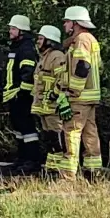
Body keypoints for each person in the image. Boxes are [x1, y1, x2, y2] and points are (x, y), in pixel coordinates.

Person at [60, 5, 103, 178]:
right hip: (90, 97)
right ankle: (92, 173)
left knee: (71, 133)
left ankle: (68, 177)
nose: (65, 25)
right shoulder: (90, 39)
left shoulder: (81, 40)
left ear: (75, 23)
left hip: (80, 97)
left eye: (67, 21)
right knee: (90, 133)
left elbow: (82, 66)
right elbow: (99, 67)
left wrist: (73, 90)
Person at [2, 14, 42, 173]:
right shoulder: (16, 48)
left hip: (22, 96)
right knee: (19, 130)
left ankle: (32, 160)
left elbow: (28, 72)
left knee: (28, 130)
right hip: (14, 95)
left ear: (22, 32)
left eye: (13, 28)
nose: (10, 31)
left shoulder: (26, 49)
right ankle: (22, 159)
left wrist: (23, 93)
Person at [33, 24, 69, 175]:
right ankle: (51, 169)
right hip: (43, 106)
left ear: (50, 41)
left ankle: (59, 169)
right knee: (49, 138)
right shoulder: (44, 57)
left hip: (53, 106)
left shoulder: (57, 57)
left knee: (56, 137)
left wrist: (54, 94)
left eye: (41, 38)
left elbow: (62, 79)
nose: (38, 41)